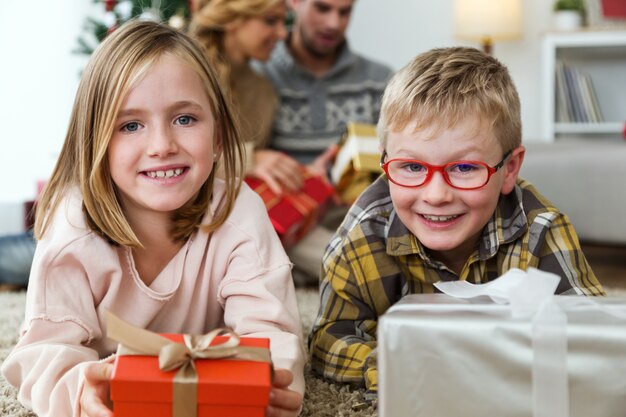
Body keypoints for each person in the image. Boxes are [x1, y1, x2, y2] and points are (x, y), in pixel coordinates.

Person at [1, 20, 304, 417]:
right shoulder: (74, 229)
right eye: (130, 125)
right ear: (95, 143)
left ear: (217, 138)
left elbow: (272, 332)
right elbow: (43, 354)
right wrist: (80, 390)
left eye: (184, 119)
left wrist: (271, 380)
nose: (162, 146)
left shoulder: (238, 210)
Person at [309, 47, 605, 396]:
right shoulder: (361, 236)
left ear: (509, 169)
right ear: (385, 162)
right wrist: (398, 366)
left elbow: (593, 336)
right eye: (412, 167)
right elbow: (329, 340)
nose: (436, 195)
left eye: (464, 168)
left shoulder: (542, 229)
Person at [254, 0, 394, 283]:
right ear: (294, 3)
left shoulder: (380, 81)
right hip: (289, 215)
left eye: (345, 12)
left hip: (355, 215)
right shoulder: (260, 75)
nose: (334, 23)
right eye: (322, 8)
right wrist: (304, 178)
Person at [189, 0, 307, 189]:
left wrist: (308, 176)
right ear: (230, 19)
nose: (283, 33)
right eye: (270, 20)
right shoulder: (186, 75)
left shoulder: (263, 92)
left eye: (284, 21)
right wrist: (249, 160)